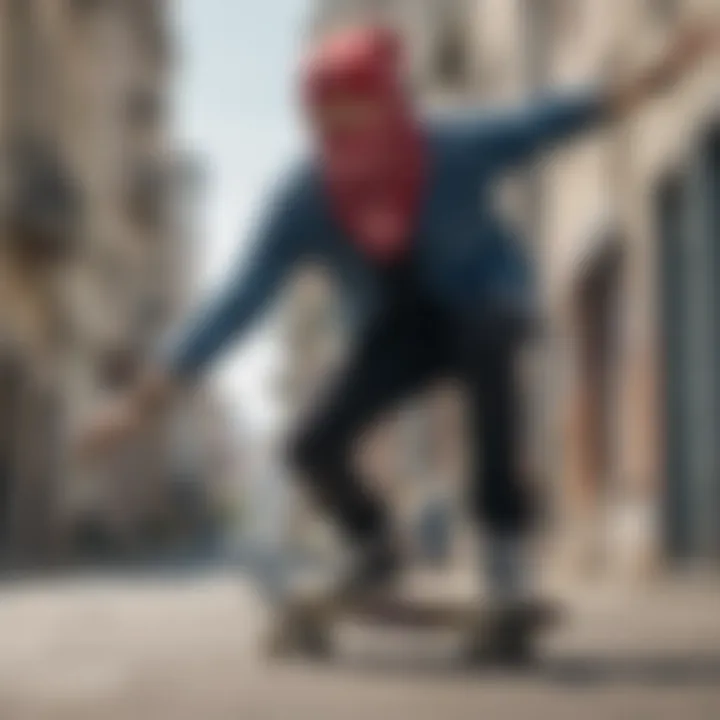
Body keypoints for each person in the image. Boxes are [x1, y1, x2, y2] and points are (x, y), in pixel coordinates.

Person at [80, 21, 718, 604]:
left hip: (483, 300)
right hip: (394, 330)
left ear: (391, 104)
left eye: (359, 112)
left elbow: (546, 121)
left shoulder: (450, 146)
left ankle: (503, 543)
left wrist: (660, 73)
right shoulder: (308, 193)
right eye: (329, 120)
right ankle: (375, 543)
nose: (346, 133)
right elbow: (243, 294)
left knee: (487, 341)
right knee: (308, 444)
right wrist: (145, 398)